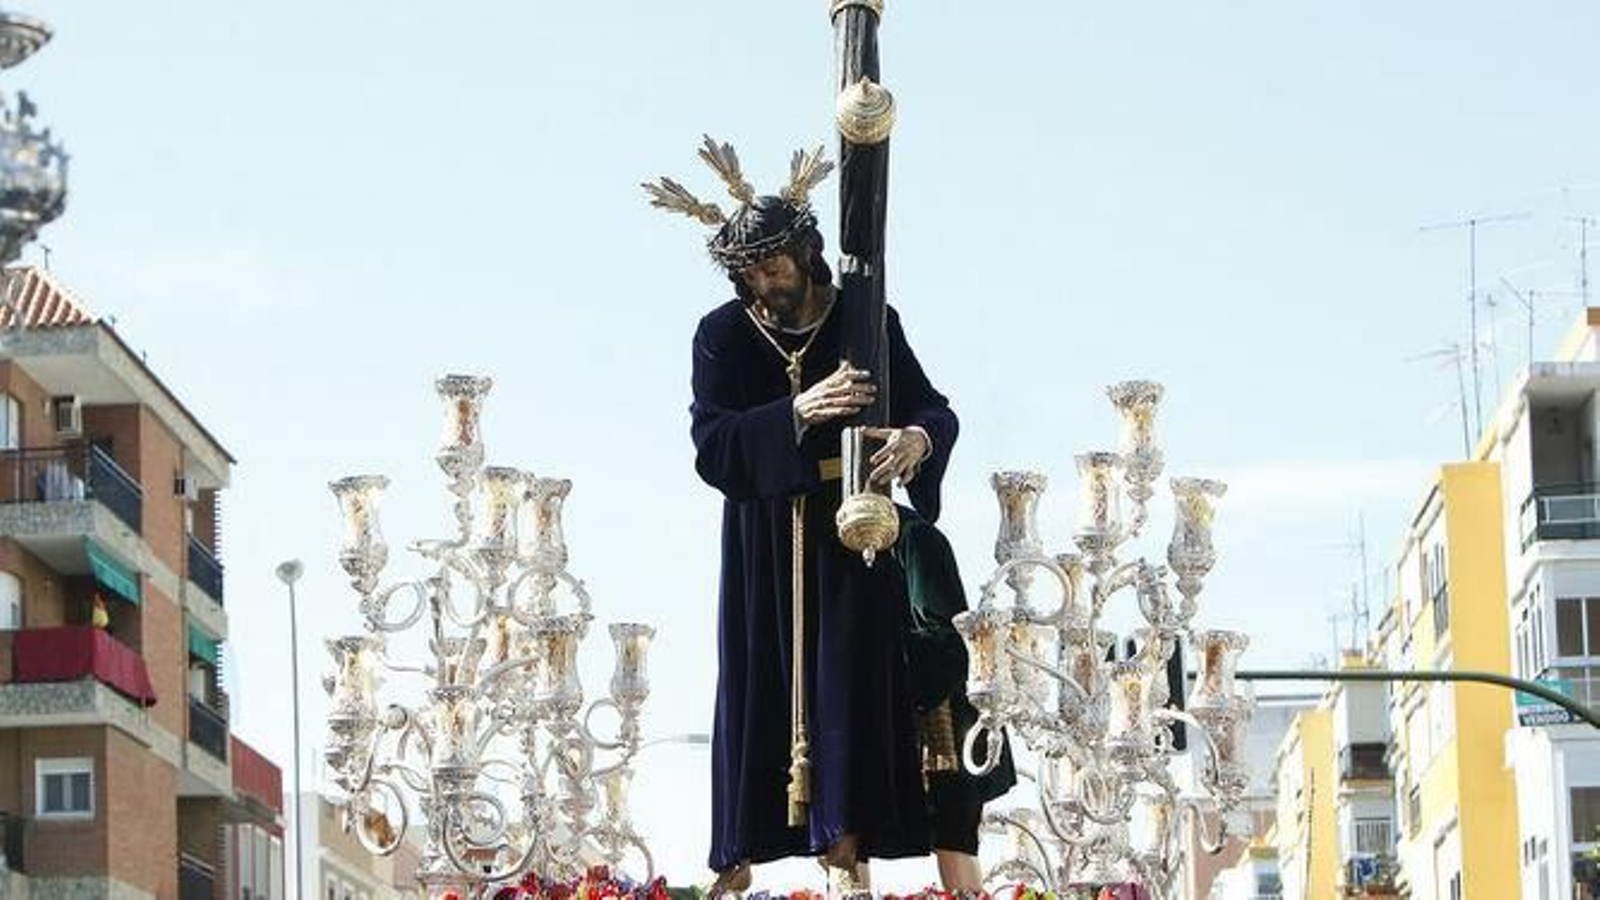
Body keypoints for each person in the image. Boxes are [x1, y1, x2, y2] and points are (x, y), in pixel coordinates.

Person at [648, 141, 958, 894]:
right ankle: (740, 860)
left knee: (850, 690)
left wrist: (916, 441)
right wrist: (796, 411)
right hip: (761, 542)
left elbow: (932, 409)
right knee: (761, 687)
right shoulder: (723, 334)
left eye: (774, 267)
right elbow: (711, 444)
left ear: (808, 253)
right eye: (750, 274)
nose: (765, 285)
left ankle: (847, 859)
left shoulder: (863, 317)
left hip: (851, 531)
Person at [896, 511, 1017, 892]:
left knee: (954, 835)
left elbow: (948, 638)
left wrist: (884, 653)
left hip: (950, 721)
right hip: (921, 714)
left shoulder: (914, 539)